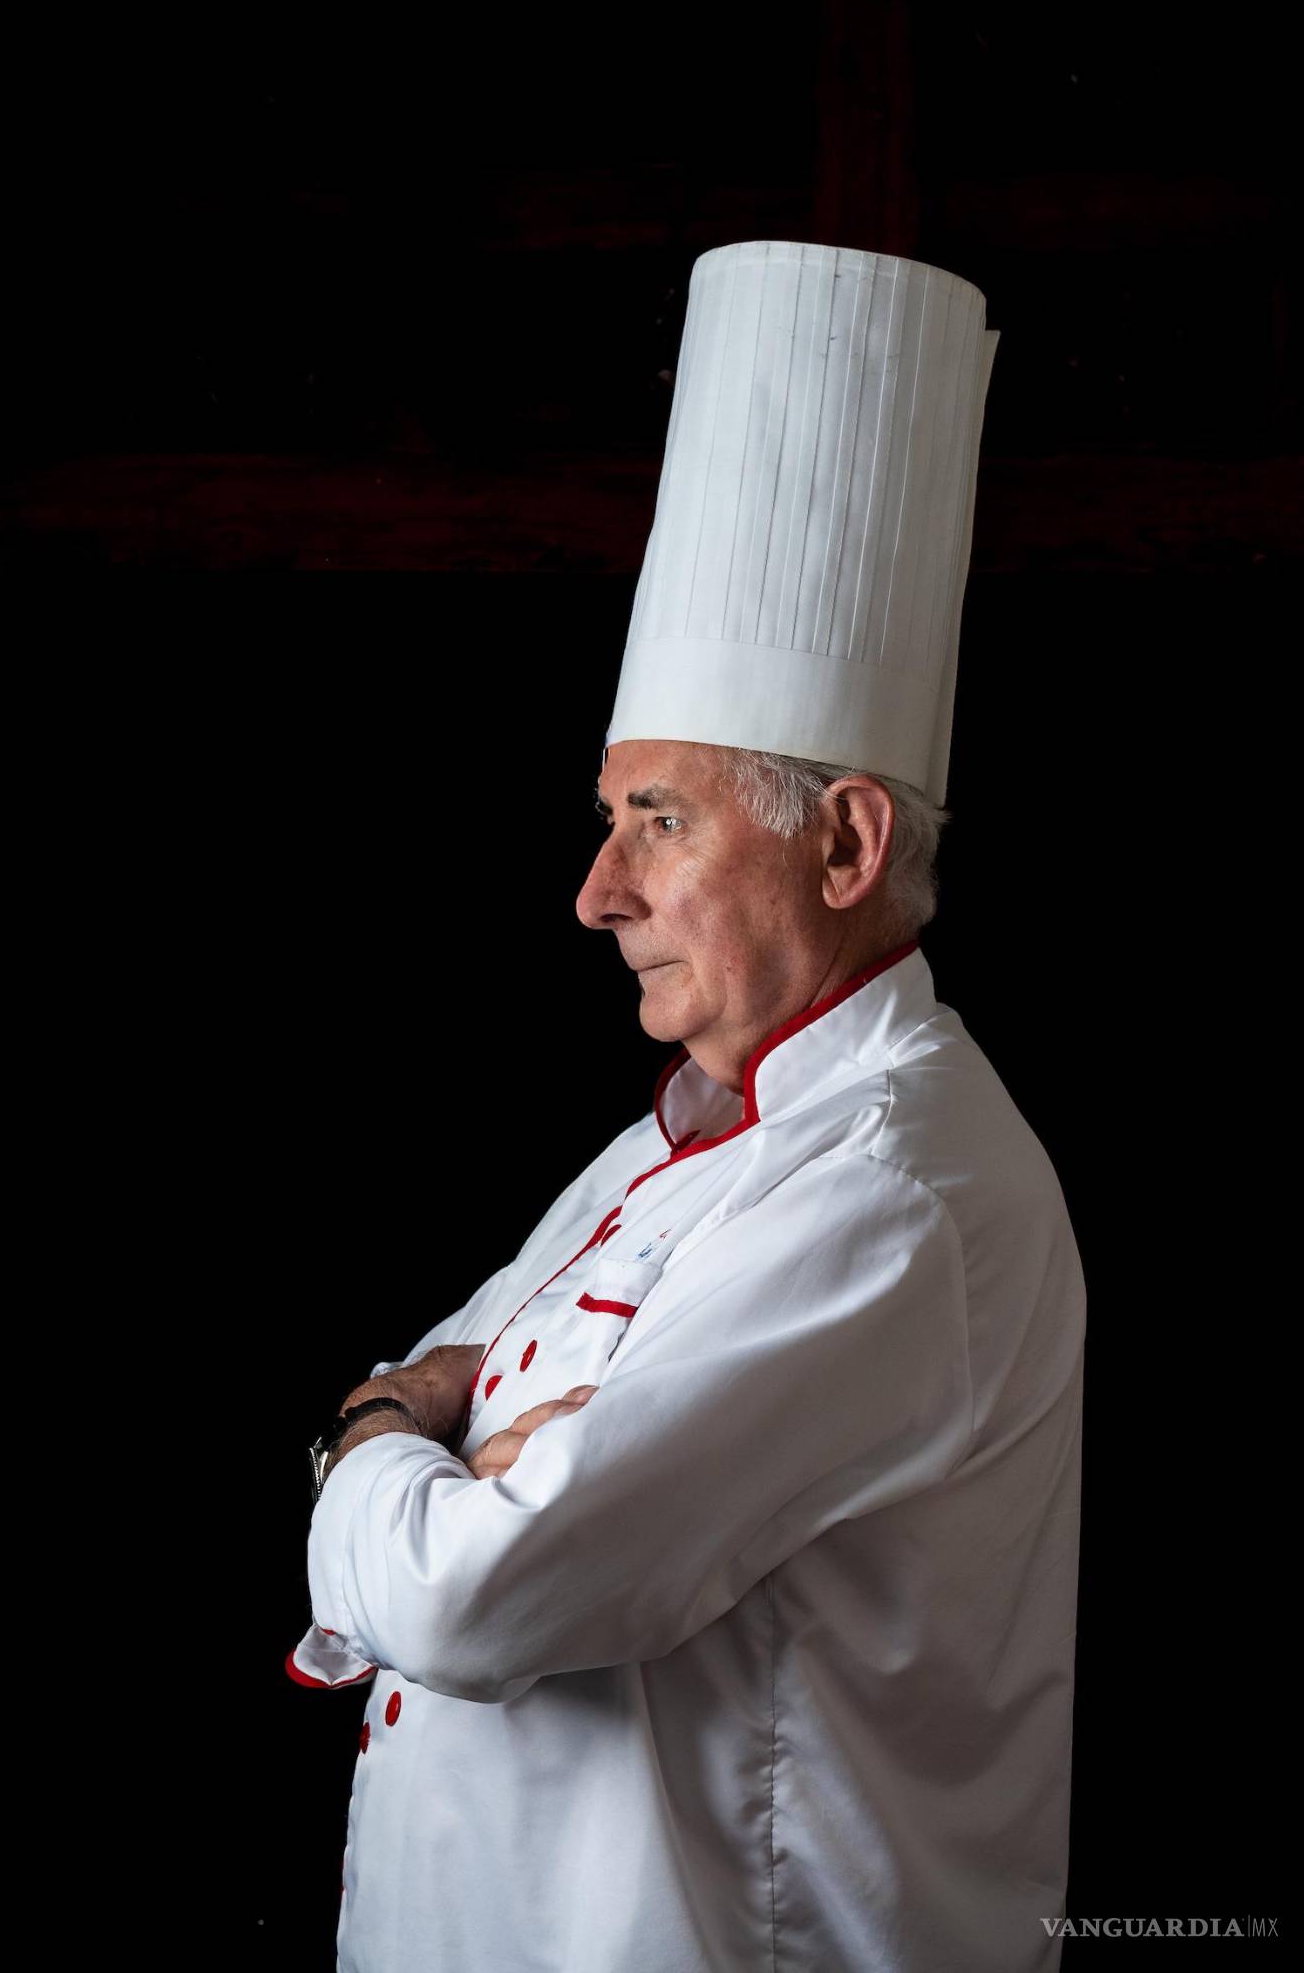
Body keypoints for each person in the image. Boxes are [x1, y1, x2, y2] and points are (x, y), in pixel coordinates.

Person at [290, 241, 1085, 1972]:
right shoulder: (681, 1134)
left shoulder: (893, 1186)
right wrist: (445, 1452)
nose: (596, 892)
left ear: (845, 843)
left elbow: (467, 1595)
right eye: (610, 818)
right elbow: (455, 1426)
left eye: (658, 818)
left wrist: (373, 1432)